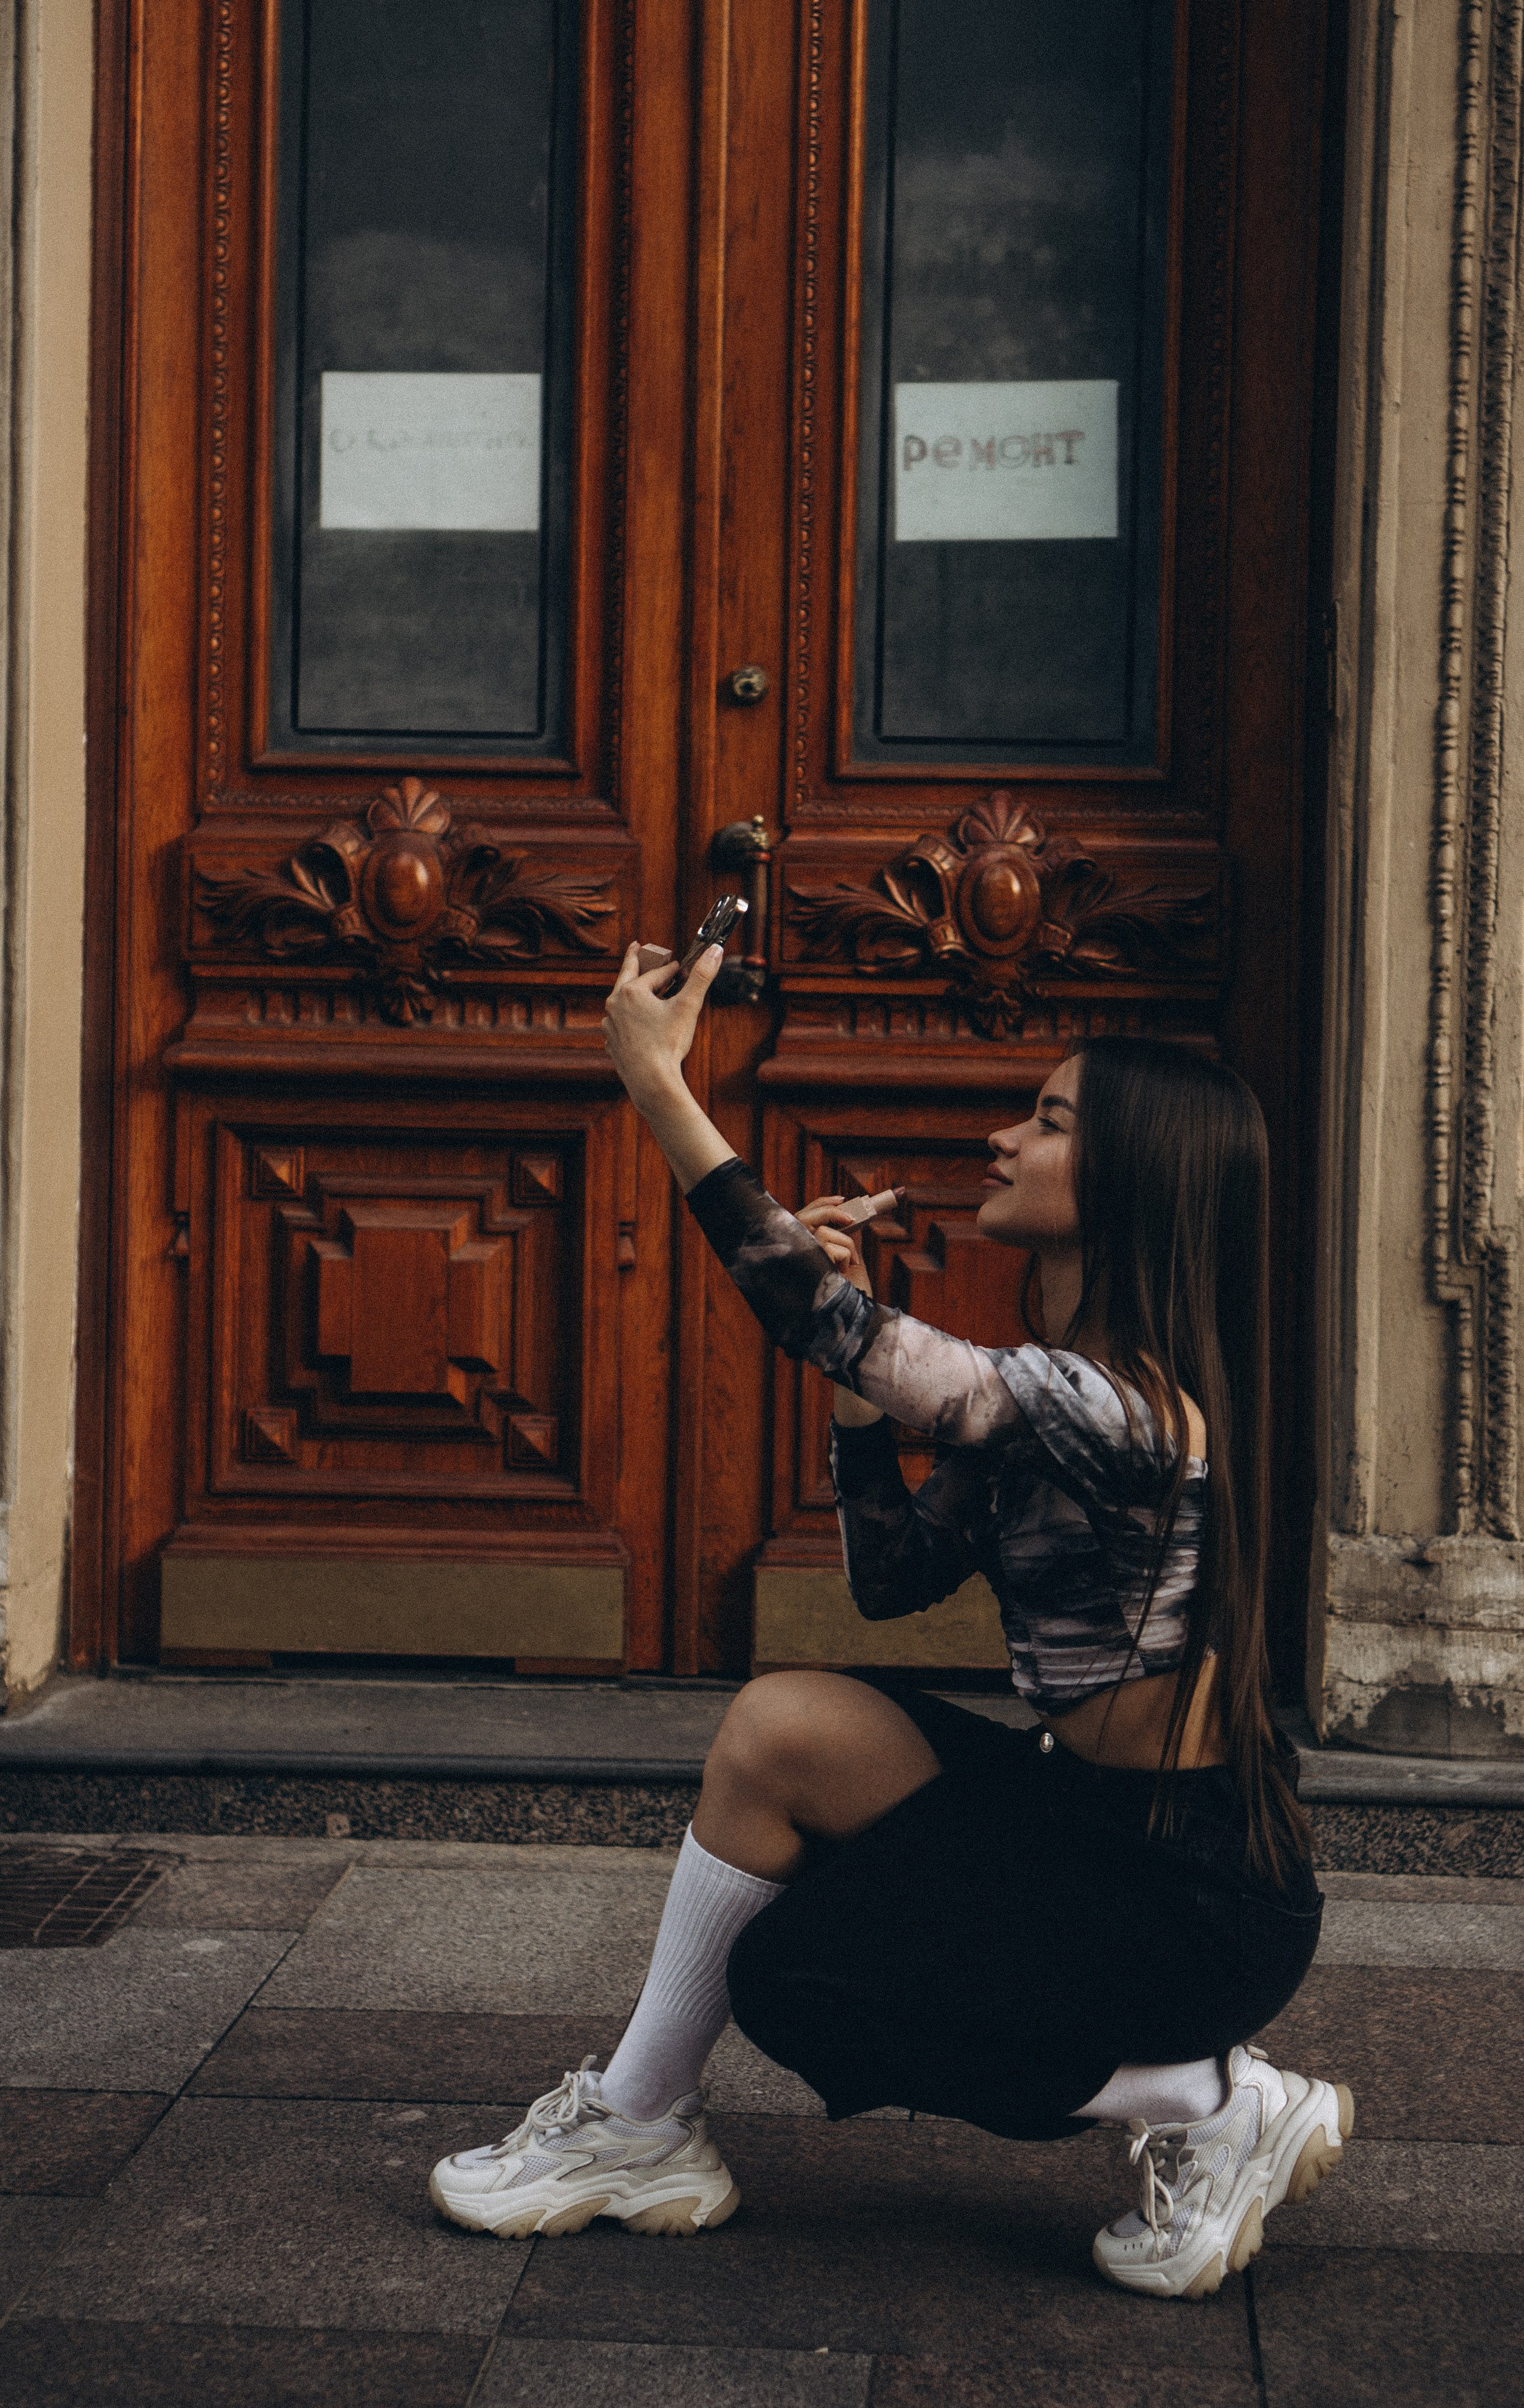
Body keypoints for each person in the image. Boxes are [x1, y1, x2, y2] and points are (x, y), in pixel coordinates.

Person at [429, 934, 1353, 2299]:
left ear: (1127, 1180)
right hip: (1087, 1825)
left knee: (803, 1984)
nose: (1000, 1138)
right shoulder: (1058, 1386)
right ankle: (637, 2129)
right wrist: (862, 1405)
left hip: (1184, 1896)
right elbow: (893, 1578)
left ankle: (1206, 2105)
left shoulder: (1121, 1411)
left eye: (1042, 1122)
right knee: (776, 1731)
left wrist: (659, 1089)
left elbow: (810, 1313)